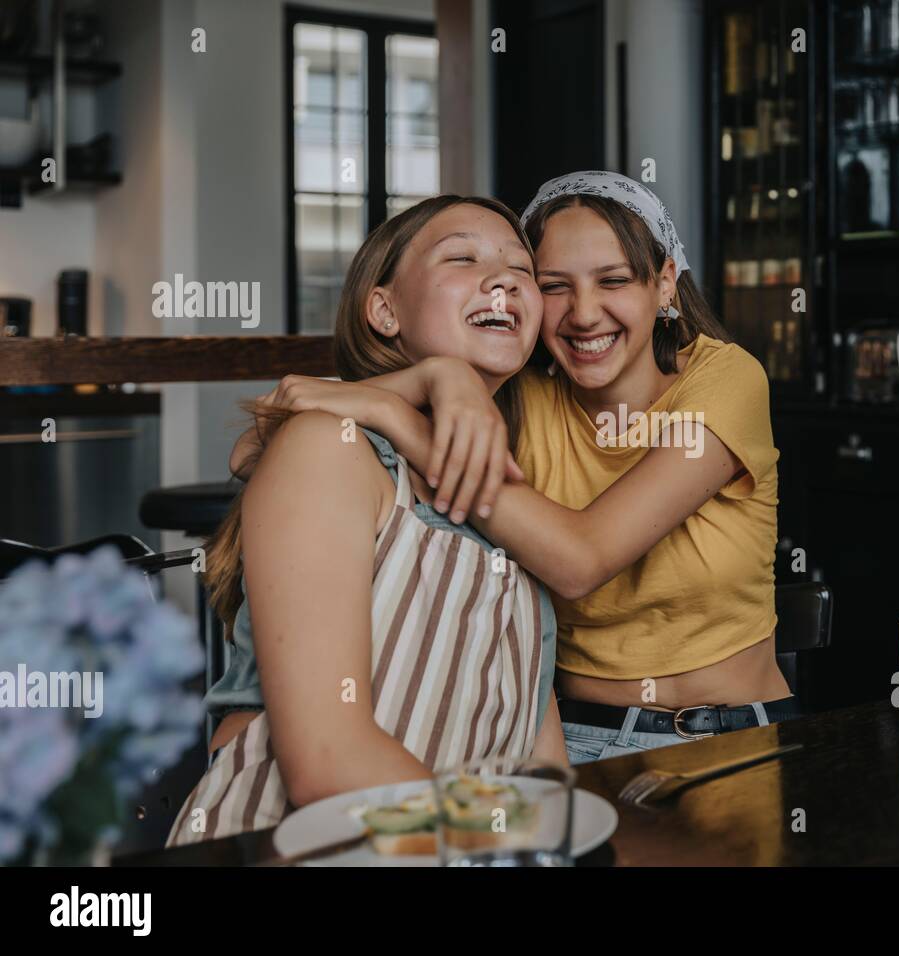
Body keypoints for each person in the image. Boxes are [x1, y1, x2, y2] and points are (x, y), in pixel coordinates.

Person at [247, 172, 800, 766]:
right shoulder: (518, 396)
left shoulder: (725, 378)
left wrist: (399, 416)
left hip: (737, 737)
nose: (585, 315)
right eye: (554, 286)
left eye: (613, 280)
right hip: (573, 742)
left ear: (665, 284)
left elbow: (580, 560)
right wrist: (432, 378)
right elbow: (256, 450)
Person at [167, 195, 563, 847]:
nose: (504, 279)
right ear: (383, 309)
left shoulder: (514, 508)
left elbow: (539, 761)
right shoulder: (332, 448)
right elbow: (327, 766)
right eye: (463, 257)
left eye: (522, 270)